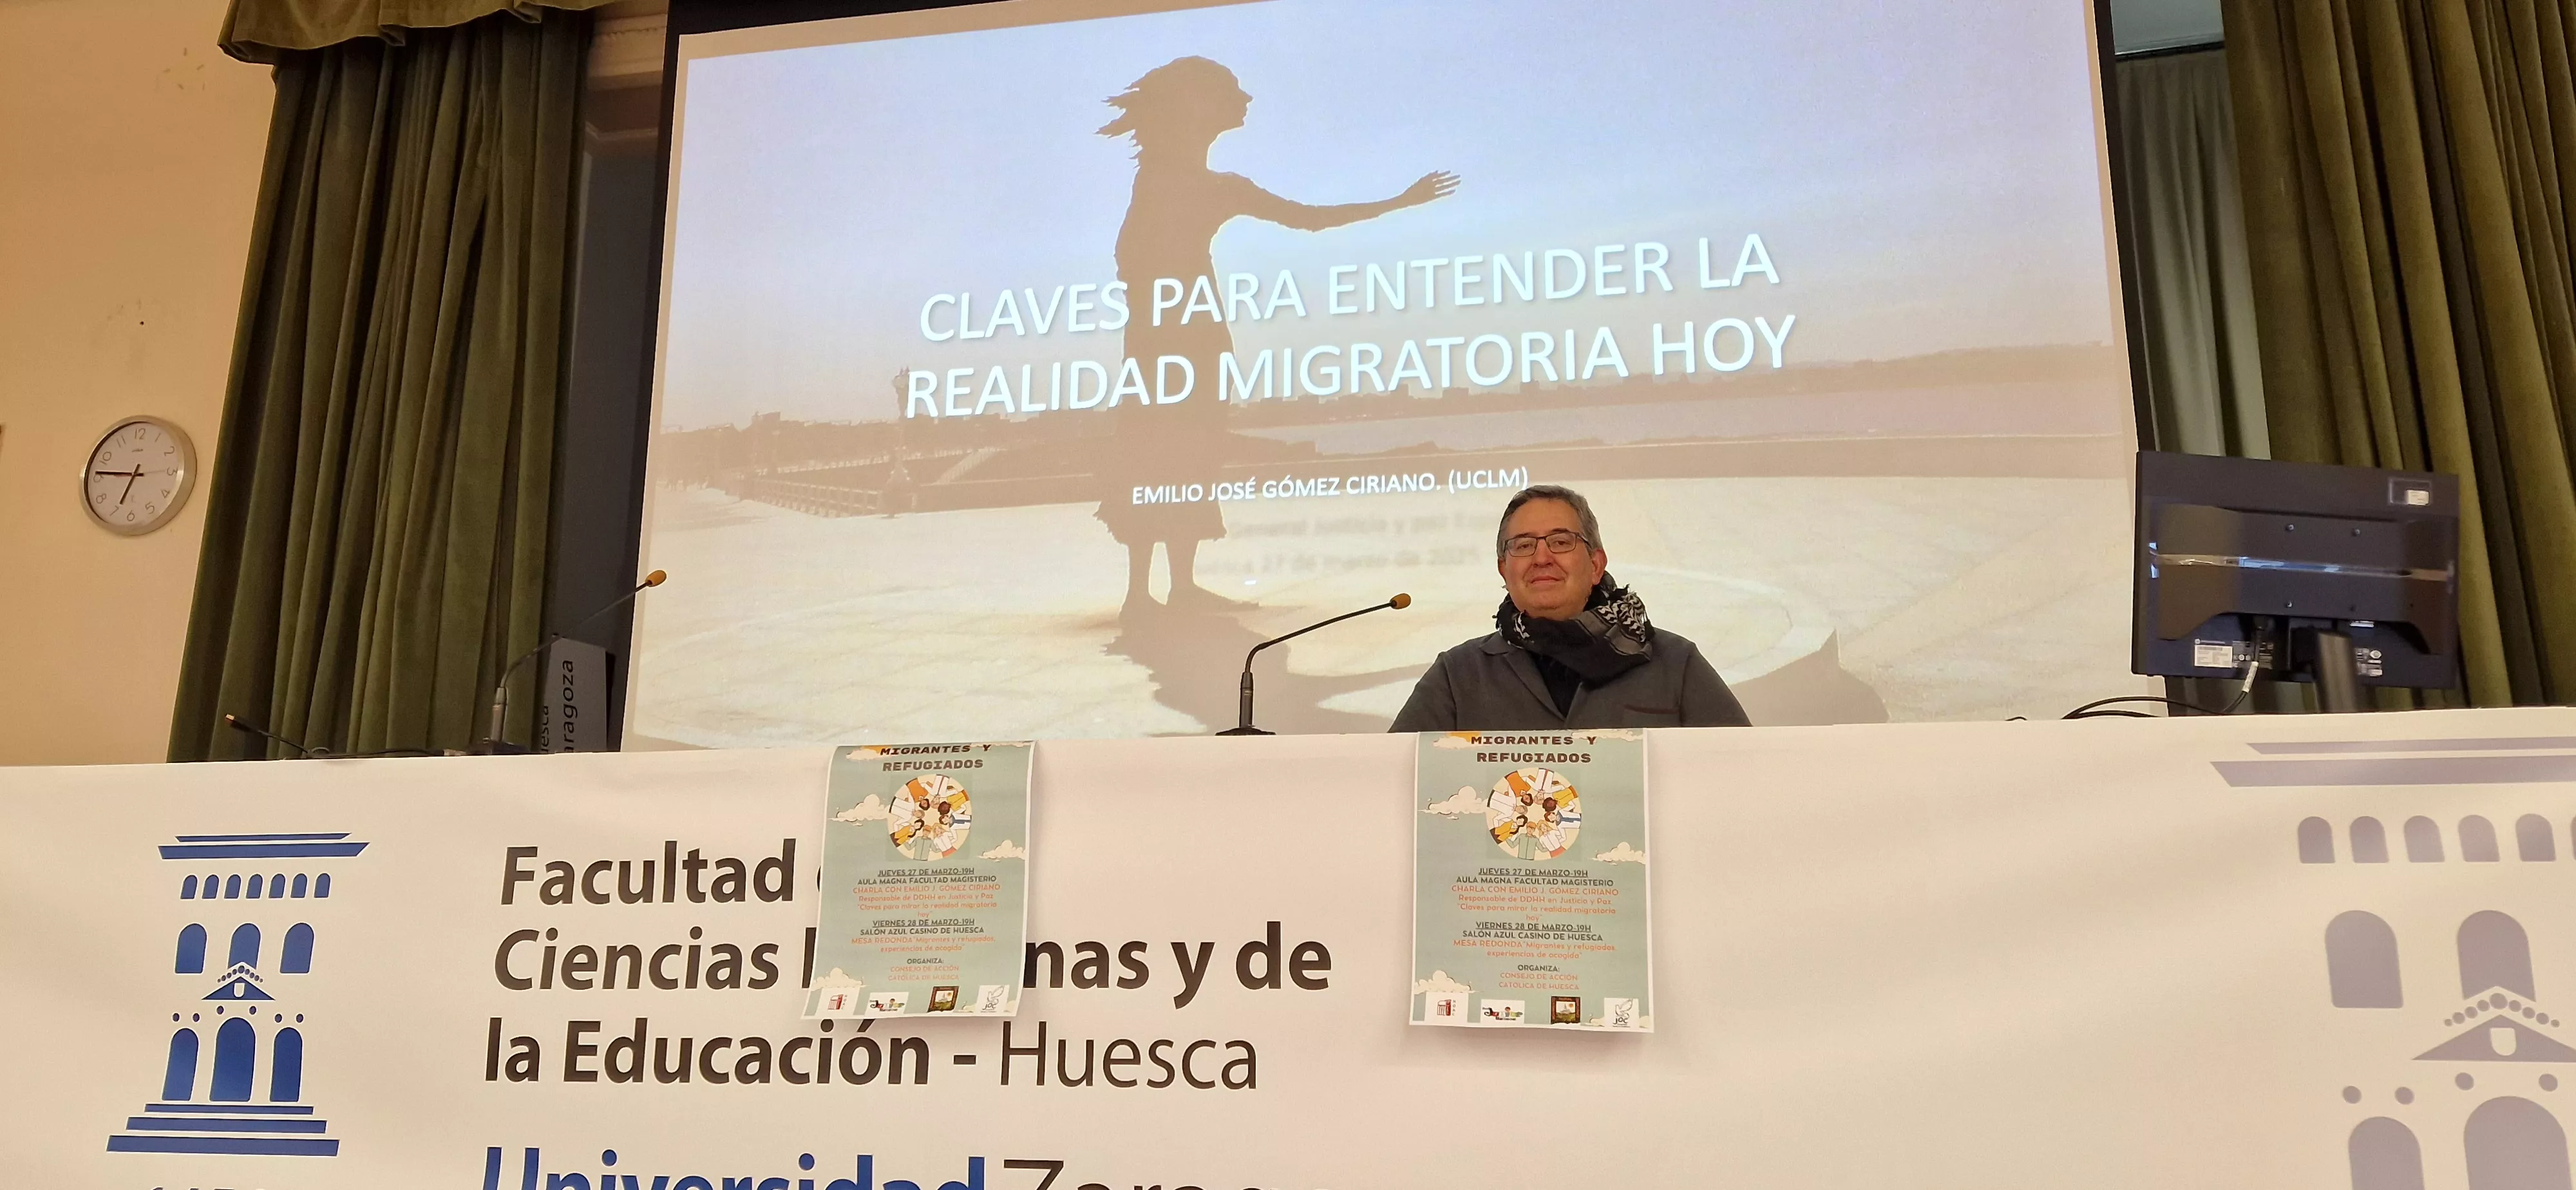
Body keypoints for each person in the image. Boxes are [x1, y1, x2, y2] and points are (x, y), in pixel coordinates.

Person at [1095, 56, 1457, 614]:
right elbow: (1128, 253)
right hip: (1171, 333)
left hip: (1179, 332)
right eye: (1231, 92)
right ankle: (1146, 592)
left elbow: (1307, 218)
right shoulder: (1177, 181)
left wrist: (1397, 202)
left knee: (1187, 455)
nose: (1245, 101)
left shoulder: (1204, 184)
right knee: (1161, 453)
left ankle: (1169, 589)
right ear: (1196, 106)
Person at [1391, 485, 1752, 731]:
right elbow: (1393, 779)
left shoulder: (1675, 664)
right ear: (1504, 569)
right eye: (1523, 545)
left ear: (1596, 565)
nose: (1542, 558)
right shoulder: (1458, 675)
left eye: (1561, 542)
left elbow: (1742, 770)